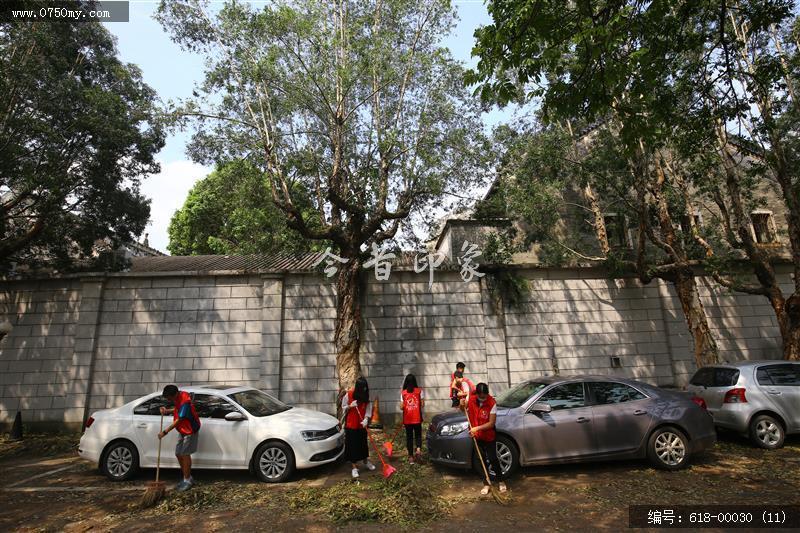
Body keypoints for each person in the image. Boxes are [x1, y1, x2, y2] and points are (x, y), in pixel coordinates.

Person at [465, 382, 507, 495]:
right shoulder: (472, 400)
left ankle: (501, 481)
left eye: (484, 396)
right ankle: (486, 483)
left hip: (489, 435)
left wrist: (476, 428)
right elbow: (462, 409)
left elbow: (491, 423)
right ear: (477, 394)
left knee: (493, 458)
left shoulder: (491, 403)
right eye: (480, 396)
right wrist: (461, 403)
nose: (482, 398)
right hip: (477, 436)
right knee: (481, 460)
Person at [158, 384, 201, 492]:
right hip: (183, 430)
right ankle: (187, 477)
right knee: (178, 453)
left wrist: (165, 432)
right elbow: (178, 409)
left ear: (175, 394)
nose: (168, 399)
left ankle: (187, 480)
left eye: (169, 397)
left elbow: (179, 420)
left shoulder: (185, 401)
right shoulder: (179, 398)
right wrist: (167, 411)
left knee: (185, 454)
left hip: (190, 430)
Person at [341, 376, 376, 479]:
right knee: (353, 447)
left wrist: (366, 419)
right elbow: (343, 408)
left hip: (361, 425)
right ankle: (354, 467)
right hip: (351, 425)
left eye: (366, 387)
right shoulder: (350, 394)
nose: (365, 390)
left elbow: (369, 409)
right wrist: (349, 406)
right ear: (358, 387)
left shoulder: (366, 396)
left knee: (363, 444)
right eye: (363, 388)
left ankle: (366, 461)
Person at [399, 373, 424, 464]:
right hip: (417, 418)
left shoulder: (403, 393)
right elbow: (422, 404)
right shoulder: (419, 391)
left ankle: (410, 457)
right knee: (418, 435)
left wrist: (406, 405)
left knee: (409, 437)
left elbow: (401, 407)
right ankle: (418, 450)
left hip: (407, 419)